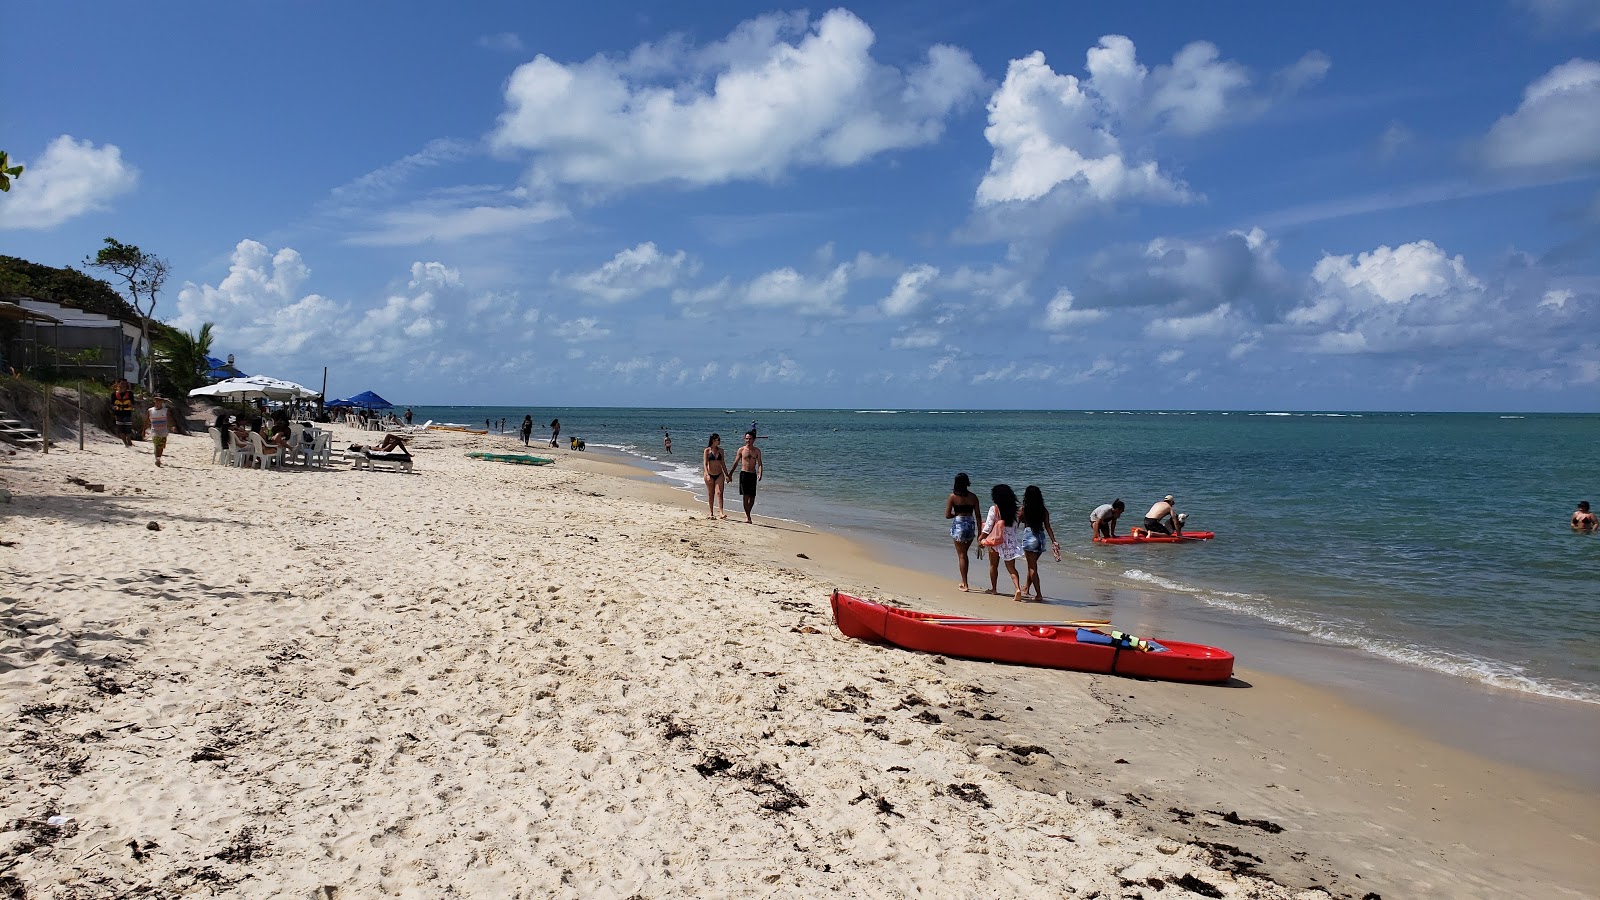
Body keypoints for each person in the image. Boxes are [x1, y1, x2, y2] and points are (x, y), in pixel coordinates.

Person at [979, 484, 1025, 600]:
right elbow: (1015, 527)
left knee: (993, 565)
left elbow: (988, 527)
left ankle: (994, 589)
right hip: (1010, 541)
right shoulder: (1016, 510)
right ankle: (1017, 588)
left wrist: (980, 538)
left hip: (996, 540)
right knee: (1011, 567)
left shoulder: (994, 509)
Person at [1019, 485, 1060, 602]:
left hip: (1030, 536)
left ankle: (1038, 594)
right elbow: (1047, 526)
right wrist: (1054, 541)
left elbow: (1017, 522)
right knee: (1032, 565)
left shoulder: (1024, 509)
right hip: (1041, 538)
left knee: (1032, 567)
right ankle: (1026, 588)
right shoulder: (1043, 510)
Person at [945, 473, 982, 592]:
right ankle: (964, 581)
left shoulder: (952, 497)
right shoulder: (973, 497)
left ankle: (965, 583)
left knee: (962, 555)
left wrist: (957, 514)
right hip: (971, 524)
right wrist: (980, 534)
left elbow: (947, 515)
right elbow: (978, 516)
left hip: (959, 524)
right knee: (964, 554)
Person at [732, 429, 763, 524]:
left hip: (752, 474)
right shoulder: (741, 450)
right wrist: (730, 473)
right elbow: (736, 462)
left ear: (754, 440)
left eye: (750, 439)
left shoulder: (757, 451)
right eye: (746, 439)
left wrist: (760, 473)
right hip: (744, 474)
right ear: (744, 439)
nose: (748, 441)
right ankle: (748, 517)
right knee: (745, 496)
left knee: (752, 497)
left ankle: (747, 513)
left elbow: (760, 464)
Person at [703, 433, 731, 519]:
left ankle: (721, 513)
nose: (719, 441)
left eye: (719, 439)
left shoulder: (721, 451)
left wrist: (727, 475)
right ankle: (711, 512)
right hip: (709, 474)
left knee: (719, 493)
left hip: (719, 474)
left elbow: (723, 463)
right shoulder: (707, 451)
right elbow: (705, 463)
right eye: (717, 439)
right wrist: (707, 474)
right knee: (711, 494)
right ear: (713, 440)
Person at [110, 379, 135, 447]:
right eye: (122, 383)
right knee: (120, 429)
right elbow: (111, 404)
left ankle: (129, 439)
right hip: (118, 413)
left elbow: (133, 403)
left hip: (127, 413)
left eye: (125, 383)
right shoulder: (114, 394)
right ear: (118, 384)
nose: (123, 385)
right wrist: (114, 407)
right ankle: (125, 443)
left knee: (128, 429)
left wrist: (132, 406)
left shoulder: (130, 394)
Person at [147, 396, 170, 467]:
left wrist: (172, 426)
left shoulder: (166, 410)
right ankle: (157, 459)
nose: (158, 401)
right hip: (154, 430)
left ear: (162, 401)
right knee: (156, 445)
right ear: (154, 401)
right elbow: (146, 420)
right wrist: (143, 430)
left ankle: (159, 458)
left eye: (159, 400)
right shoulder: (150, 410)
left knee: (161, 446)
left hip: (163, 430)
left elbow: (170, 419)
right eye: (156, 400)